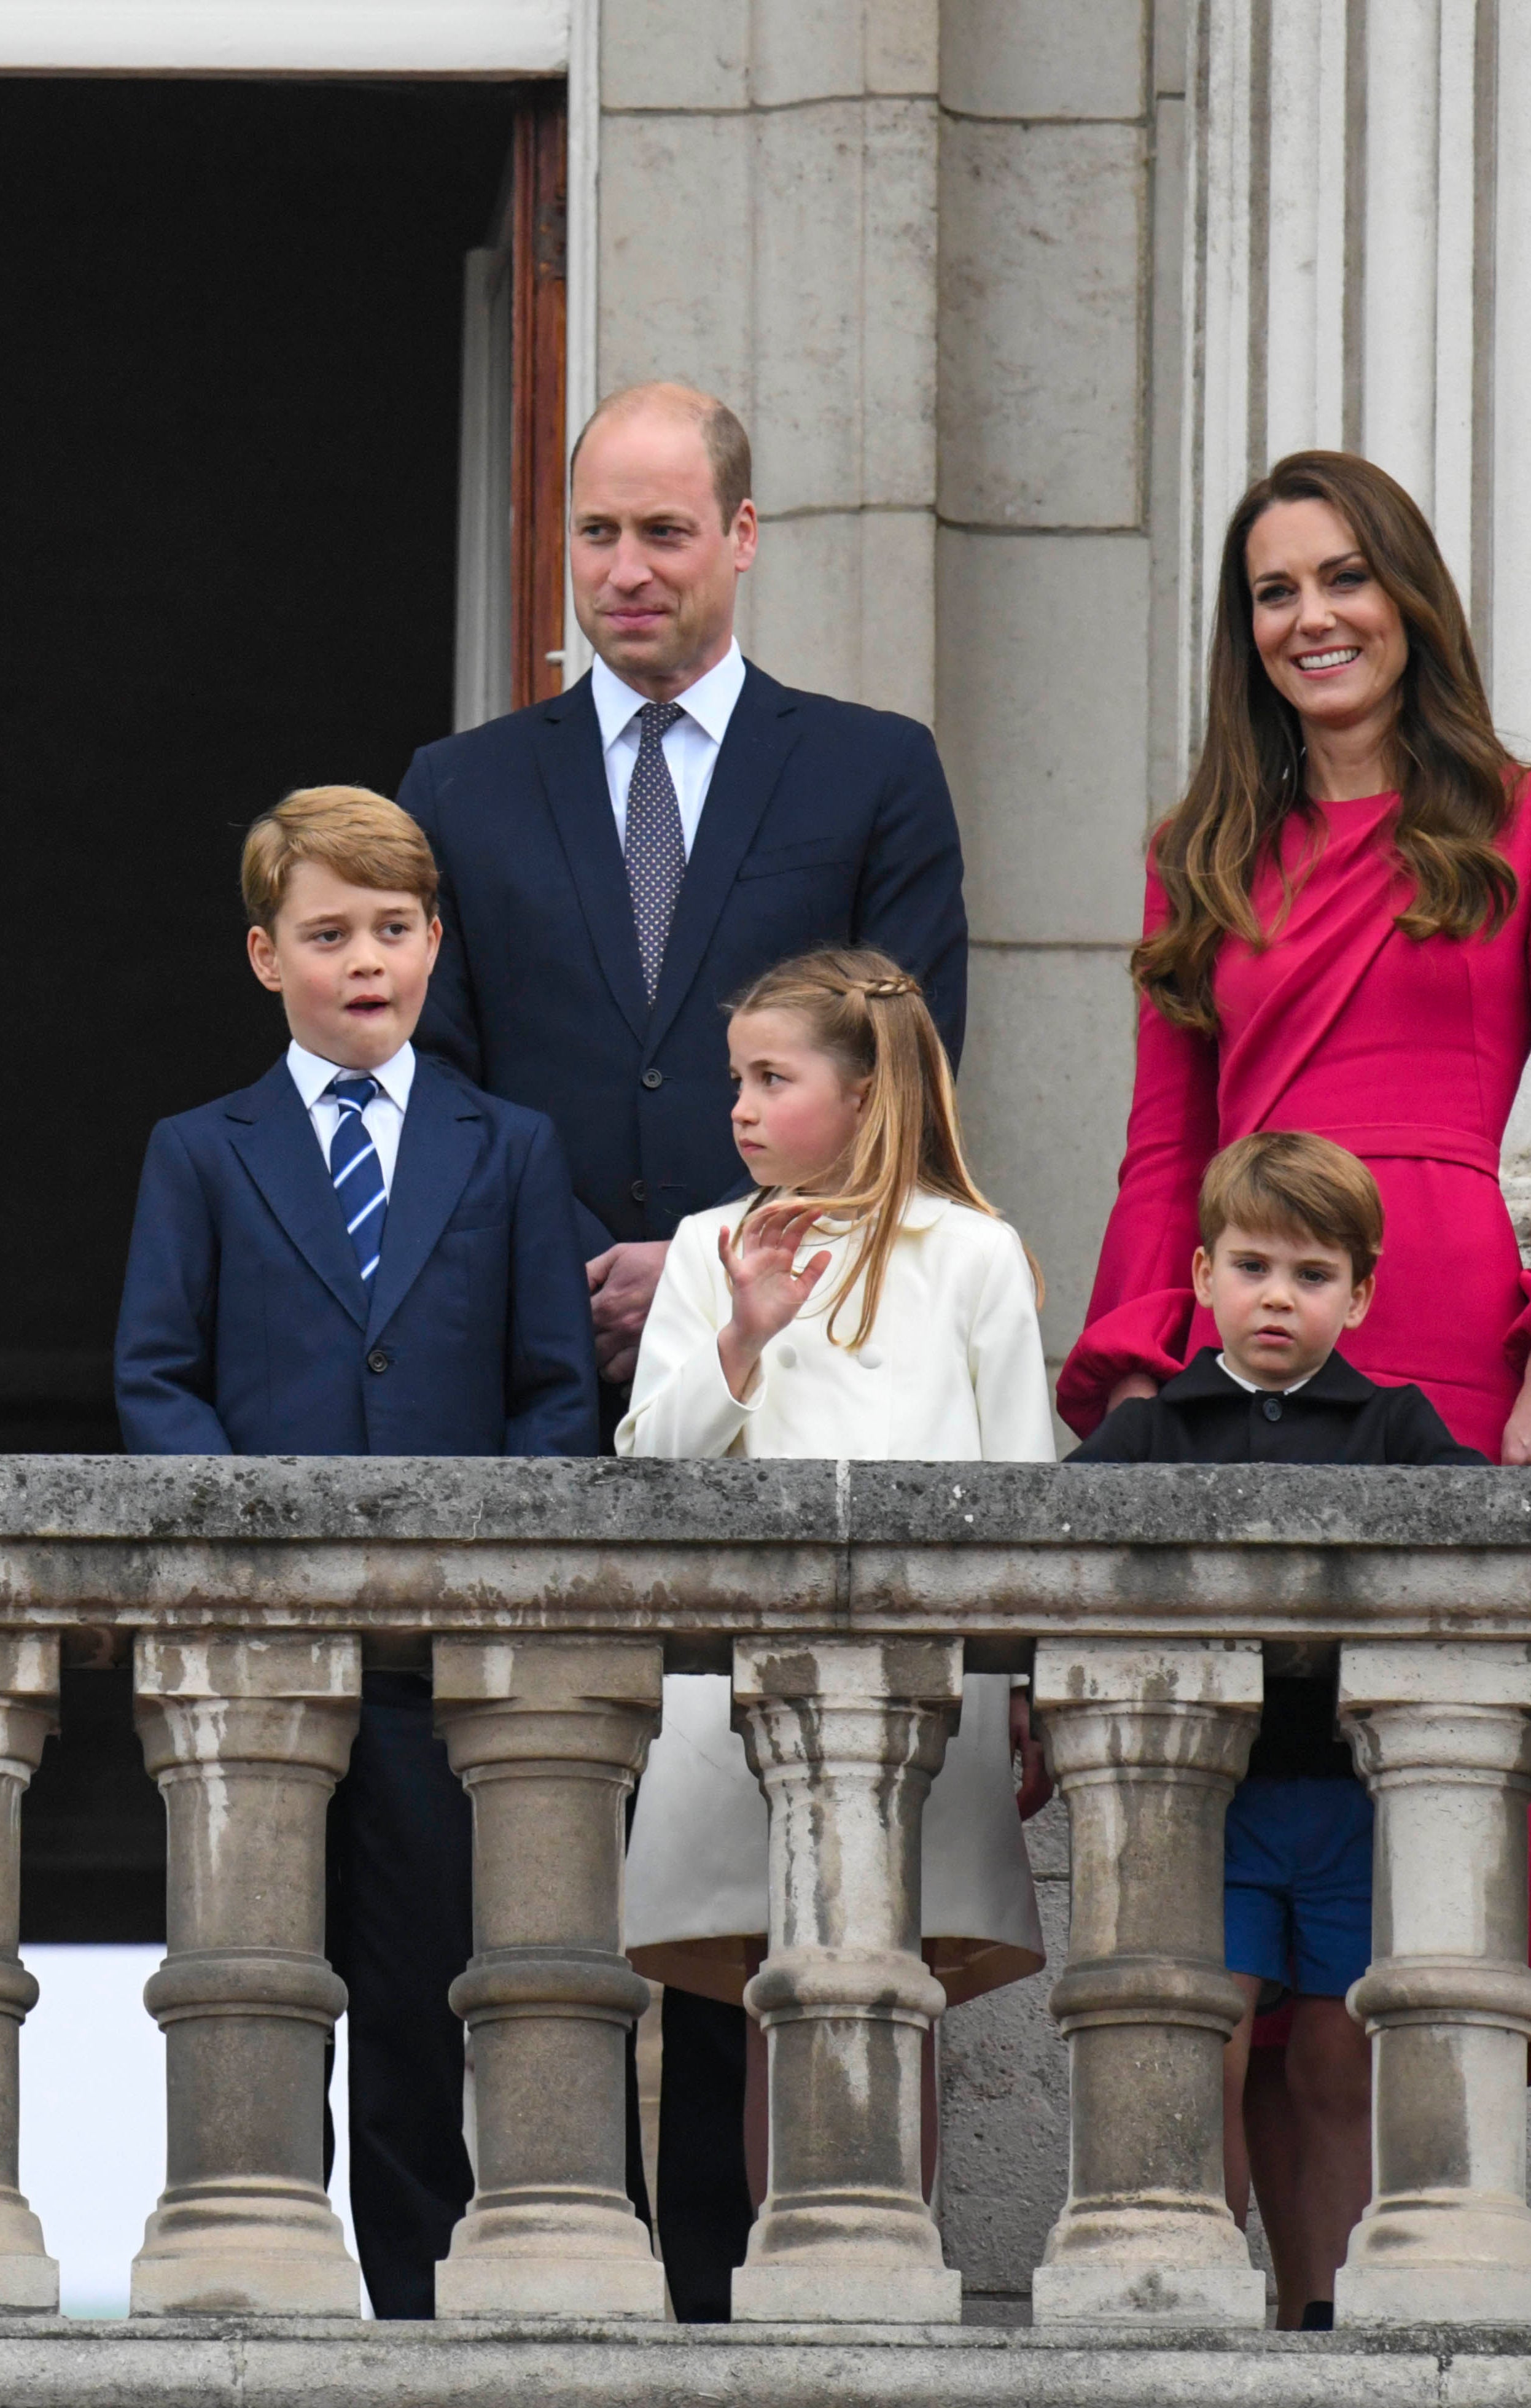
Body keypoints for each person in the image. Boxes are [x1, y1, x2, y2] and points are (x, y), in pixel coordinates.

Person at [394, 379, 968, 2315]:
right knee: (526, 1854)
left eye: (663, 532)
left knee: (745, 1842)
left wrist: (721, 1258)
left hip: (791, 1369)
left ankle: (734, 2287)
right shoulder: (461, 786)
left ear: (741, 537)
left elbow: (909, 1057)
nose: (626, 570)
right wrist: (582, 1262)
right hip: (542, 1377)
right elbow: (436, 1075)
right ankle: (527, 2272)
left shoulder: (868, 771)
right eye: (596, 534)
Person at [114, 785, 599, 2318]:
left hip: (436, 1667)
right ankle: (269, 2297)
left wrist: (486, 1572)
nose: (365, 959)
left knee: (416, 1995)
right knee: (254, 1988)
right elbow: (157, 1377)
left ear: (436, 942)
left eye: (393, 928)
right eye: (328, 933)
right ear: (267, 956)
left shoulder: (507, 1146)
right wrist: (249, 1556)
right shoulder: (200, 1149)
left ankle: (409, 2317)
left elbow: (553, 1390)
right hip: (260, 1661)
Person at [615, 949, 1048, 2224]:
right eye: (735, 1080)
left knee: (901, 1978)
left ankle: (894, 2259)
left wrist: (1025, 1682)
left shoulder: (972, 1252)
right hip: (744, 1681)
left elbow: (1023, 1490)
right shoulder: (706, 1247)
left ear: (863, 1092)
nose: (739, 1108)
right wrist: (742, 1334)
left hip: (931, 1683)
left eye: (771, 1077)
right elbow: (650, 1470)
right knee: (776, 1984)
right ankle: (786, 2270)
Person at [1072, 1130, 1479, 2329]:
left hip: (1349, 1794)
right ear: (1201, 1274)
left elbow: (1485, 1540)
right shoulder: (1154, 1430)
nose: (1277, 1296)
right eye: (1251, 1266)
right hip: (1210, 1799)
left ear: (1360, 1293)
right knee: (1205, 2035)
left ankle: (1323, 2307)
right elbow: (1047, 1541)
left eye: (1311, 1274)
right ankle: (1210, 2286)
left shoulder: (1394, 1428)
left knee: (1337, 2060)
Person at [1062, 451, 1531, 1461]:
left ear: (1407, 597)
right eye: (1275, 593)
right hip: (1245, 1332)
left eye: (1344, 578)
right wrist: (1138, 1364)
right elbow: (1165, 1147)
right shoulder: (1197, 853)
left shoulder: (1521, 821)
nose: (1311, 618)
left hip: (1452, 1320)